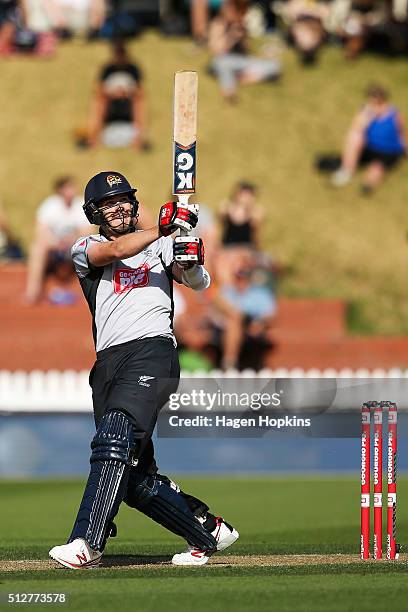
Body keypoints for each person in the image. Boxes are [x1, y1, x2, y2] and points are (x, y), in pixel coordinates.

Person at [48, 171, 239, 569]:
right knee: (132, 476)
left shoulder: (160, 245)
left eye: (123, 200)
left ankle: (87, 541)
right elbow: (114, 252)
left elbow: (199, 283)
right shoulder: (86, 248)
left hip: (153, 352)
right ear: (94, 212)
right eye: (108, 203)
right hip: (108, 364)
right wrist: (163, 227)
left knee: (114, 441)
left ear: (134, 205)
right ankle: (206, 529)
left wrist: (188, 256)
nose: (118, 207)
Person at [25, 176, 89, 303]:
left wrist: (71, 241)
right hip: (54, 248)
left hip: (74, 247)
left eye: (72, 187)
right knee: (37, 248)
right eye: (68, 188)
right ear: (60, 190)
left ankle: (91, 291)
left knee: (89, 246)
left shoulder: (81, 204)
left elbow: (86, 232)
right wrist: (55, 243)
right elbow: (40, 231)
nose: (71, 191)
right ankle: (33, 291)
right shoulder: (50, 205)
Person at [331, 84, 407, 192]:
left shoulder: (394, 114)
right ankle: (346, 171)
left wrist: (405, 148)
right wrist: (367, 116)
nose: (375, 102)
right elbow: (356, 129)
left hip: (389, 151)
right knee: (354, 137)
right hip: (370, 148)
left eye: (377, 98)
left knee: (376, 168)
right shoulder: (366, 112)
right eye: (372, 98)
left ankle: (367, 185)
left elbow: (402, 133)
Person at [208, 0, 281, 101]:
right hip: (225, 60)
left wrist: (242, 36)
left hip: (241, 62)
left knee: (274, 65)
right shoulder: (218, 24)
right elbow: (216, 51)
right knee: (222, 63)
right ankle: (229, 90)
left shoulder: (241, 25)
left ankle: (247, 78)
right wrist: (231, 37)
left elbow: (246, 51)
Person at [85, 39, 148, 149]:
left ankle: (139, 139)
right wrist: (113, 93)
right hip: (110, 103)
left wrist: (127, 93)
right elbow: (99, 89)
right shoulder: (107, 69)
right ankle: (93, 137)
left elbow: (140, 91)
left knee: (139, 101)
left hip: (128, 102)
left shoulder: (133, 69)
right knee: (99, 100)